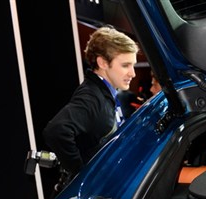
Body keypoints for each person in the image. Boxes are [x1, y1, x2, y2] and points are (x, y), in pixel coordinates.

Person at [43, 26, 138, 182]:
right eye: (125, 65)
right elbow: (56, 131)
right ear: (103, 63)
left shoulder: (104, 92)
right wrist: (81, 174)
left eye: (133, 65)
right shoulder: (91, 97)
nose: (132, 73)